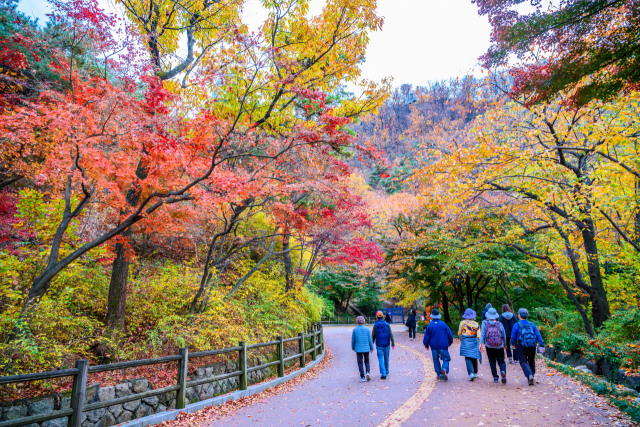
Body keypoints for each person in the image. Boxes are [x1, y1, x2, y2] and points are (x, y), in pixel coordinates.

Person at [511, 308, 545, 386]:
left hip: (521, 345)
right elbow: (538, 335)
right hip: (532, 345)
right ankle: (532, 375)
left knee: (523, 361)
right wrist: (541, 344)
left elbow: (513, 336)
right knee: (531, 360)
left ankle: (529, 375)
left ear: (519, 316)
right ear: (527, 316)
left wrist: (513, 344)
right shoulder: (532, 324)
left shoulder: (516, 325)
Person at [423, 309, 453, 381]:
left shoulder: (430, 325)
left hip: (434, 346)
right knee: (446, 358)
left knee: (436, 359)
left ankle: (439, 374)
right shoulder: (443, 324)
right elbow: (450, 334)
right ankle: (444, 369)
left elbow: (427, 336)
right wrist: (449, 342)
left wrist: (426, 345)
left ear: (432, 316)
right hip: (443, 345)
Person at [480, 308, 508, 384]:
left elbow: (482, 334)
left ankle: (495, 377)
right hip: (499, 345)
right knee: (501, 361)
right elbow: (504, 335)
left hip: (489, 346)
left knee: (492, 361)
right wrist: (505, 345)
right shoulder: (499, 324)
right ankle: (503, 373)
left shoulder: (485, 323)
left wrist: (481, 343)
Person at [459, 308, 481, 381]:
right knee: (474, 356)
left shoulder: (462, 323)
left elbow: (459, 333)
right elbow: (479, 335)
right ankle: (475, 372)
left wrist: (460, 338)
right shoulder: (476, 324)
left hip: (465, 340)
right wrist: (480, 343)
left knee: (467, 356)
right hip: (474, 340)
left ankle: (471, 373)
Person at [372, 310, 395, 379]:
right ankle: (387, 370)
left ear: (377, 318)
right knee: (386, 358)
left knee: (380, 359)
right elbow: (391, 334)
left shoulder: (375, 325)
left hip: (379, 345)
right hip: (387, 344)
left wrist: (371, 345)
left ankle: (383, 373)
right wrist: (393, 343)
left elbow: (373, 336)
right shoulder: (387, 325)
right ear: (383, 317)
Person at [351, 316, 374, 382]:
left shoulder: (355, 330)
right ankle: (367, 372)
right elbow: (370, 339)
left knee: (360, 362)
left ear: (357, 321)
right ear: (363, 321)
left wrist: (353, 347)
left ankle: (362, 377)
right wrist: (371, 347)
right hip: (366, 348)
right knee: (367, 361)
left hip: (358, 349)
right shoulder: (367, 329)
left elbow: (353, 340)